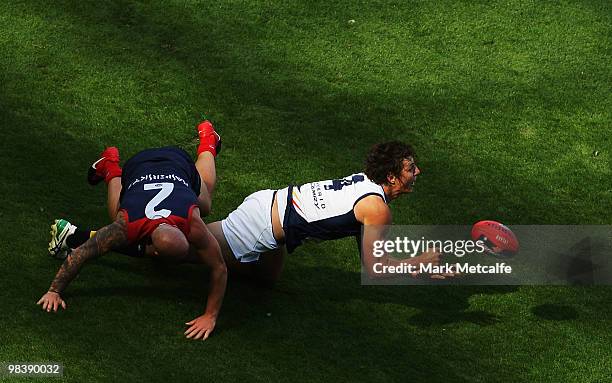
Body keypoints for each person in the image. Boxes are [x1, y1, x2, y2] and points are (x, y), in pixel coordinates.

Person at [50, 141, 446, 286]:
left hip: (273, 215)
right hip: (259, 225)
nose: (417, 172)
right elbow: (374, 268)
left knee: (267, 280)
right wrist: (424, 265)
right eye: (411, 168)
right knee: (176, 251)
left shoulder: (369, 187)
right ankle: (77, 236)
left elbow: (362, 239)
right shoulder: (378, 208)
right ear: (392, 176)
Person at [38, 121, 227, 341]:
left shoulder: (193, 223)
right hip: (138, 167)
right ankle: (111, 167)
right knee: (118, 211)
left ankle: (208, 140)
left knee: (204, 204)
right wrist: (54, 290)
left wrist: (210, 316)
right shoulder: (127, 225)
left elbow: (220, 268)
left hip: (177, 163)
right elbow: (82, 252)